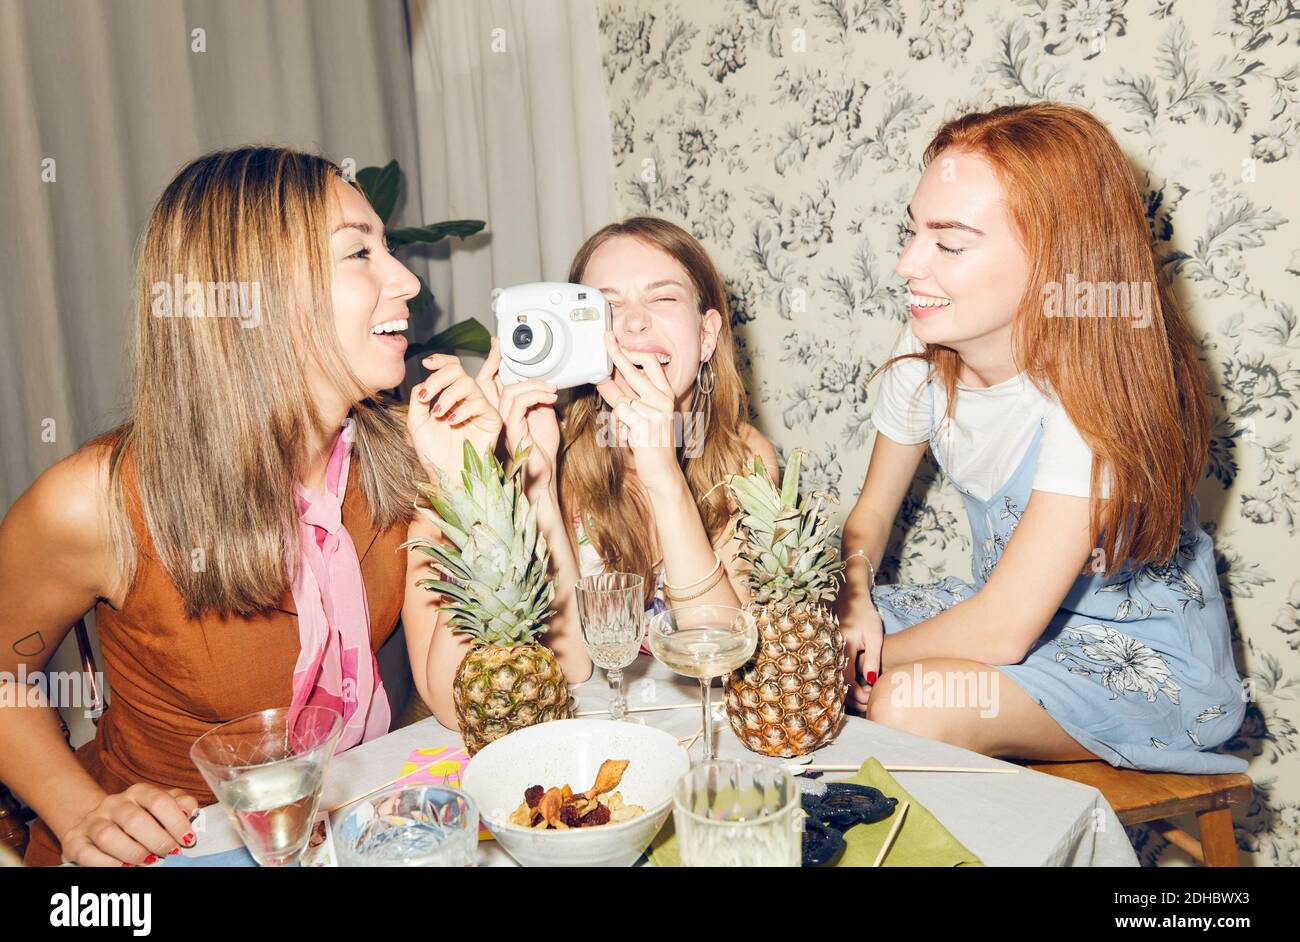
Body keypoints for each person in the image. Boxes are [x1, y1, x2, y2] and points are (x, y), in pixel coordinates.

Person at [0, 146, 505, 865]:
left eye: (388, 249)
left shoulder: (403, 459)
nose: (406, 281)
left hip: (340, 840)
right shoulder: (99, 500)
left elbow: (465, 702)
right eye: (359, 254)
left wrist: (467, 488)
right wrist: (78, 810)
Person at [836, 103, 1247, 773]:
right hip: (1011, 616)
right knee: (777, 627)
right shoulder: (925, 344)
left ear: (1056, 259)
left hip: (1142, 662)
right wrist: (852, 603)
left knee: (908, 703)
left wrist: (851, 657)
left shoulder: (1096, 395)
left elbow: (1001, 629)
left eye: (950, 243)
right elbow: (871, 518)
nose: (909, 264)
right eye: (911, 232)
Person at [480, 217, 779, 658]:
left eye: (662, 297)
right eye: (608, 305)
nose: (635, 323)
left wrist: (662, 472)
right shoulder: (544, 446)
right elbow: (567, 667)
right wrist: (539, 484)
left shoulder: (745, 458)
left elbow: (721, 656)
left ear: (707, 334)